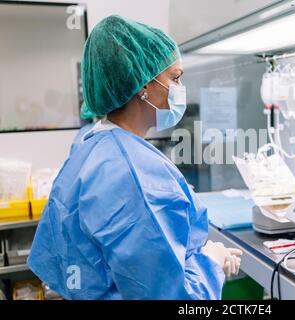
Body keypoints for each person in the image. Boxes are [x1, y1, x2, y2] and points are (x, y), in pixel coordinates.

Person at [28, 15, 242, 300]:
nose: (180, 88)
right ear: (143, 85)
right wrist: (212, 261)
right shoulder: (135, 176)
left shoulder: (92, 140)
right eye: (175, 78)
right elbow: (173, 298)